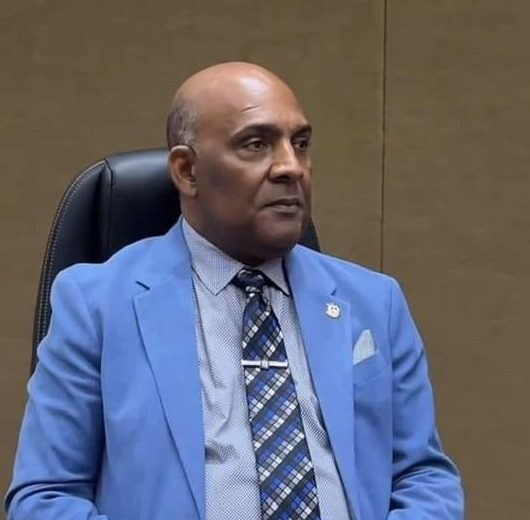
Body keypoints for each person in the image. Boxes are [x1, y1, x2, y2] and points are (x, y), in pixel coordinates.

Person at [5, 62, 464, 519]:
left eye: (300, 144)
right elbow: (45, 497)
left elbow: (422, 476)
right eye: (256, 144)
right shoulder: (96, 305)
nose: (291, 167)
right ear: (187, 171)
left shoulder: (374, 303)